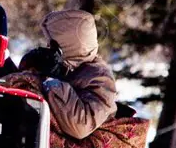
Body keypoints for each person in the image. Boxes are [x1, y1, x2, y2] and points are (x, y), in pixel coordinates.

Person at [33, 9, 117, 140]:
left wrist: (53, 82)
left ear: (69, 46)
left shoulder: (100, 77)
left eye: (53, 44)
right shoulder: (68, 67)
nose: (49, 47)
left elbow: (81, 125)